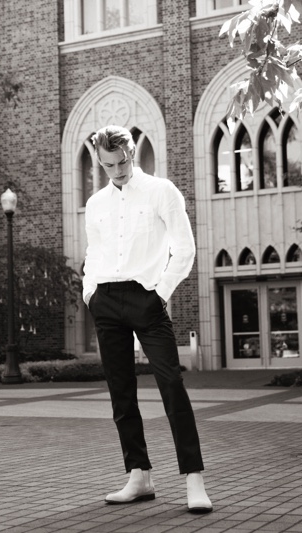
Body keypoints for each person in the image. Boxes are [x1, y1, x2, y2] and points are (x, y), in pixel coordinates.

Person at [82, 124, 212, 513]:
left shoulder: (161, 191)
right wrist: (90, 293)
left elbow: (185, 249)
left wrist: (159, 294)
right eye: (108, 166)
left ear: (132, 153)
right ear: (100, 162)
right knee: (121, 393)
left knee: (171, 384)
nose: (117, 171)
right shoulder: (96, 204)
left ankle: (194, 479)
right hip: (106, 299)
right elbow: (95, 252)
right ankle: (139, 475)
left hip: (147, 299)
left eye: (121, 163)